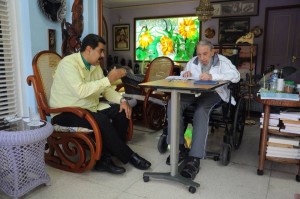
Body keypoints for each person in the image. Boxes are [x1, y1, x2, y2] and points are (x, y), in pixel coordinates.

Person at [49, 34, 151, 174]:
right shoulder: (68, 64)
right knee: (101, 120)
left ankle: (105, 158)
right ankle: (129, 156)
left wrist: (122, 101)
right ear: (89, 49)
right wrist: (108, 79)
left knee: (121, 111)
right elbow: (81, 91)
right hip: (66, 112)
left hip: (88, 108)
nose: (103, 55)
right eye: (100, 51)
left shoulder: (94, 66)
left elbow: (106, 90)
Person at [166, 40, 240, 180]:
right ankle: (179, 148)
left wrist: (213, 77)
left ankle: (194, 157)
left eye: (205, 54)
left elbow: (236, 76)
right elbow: (185, 76)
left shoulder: (223, 62)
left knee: (200, 111)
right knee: (174, 102)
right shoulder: (193, 61)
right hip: (194, 91)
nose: (202, 58)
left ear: (213, 52)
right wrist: (185, 75)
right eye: (199, 54)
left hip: (214, 93)